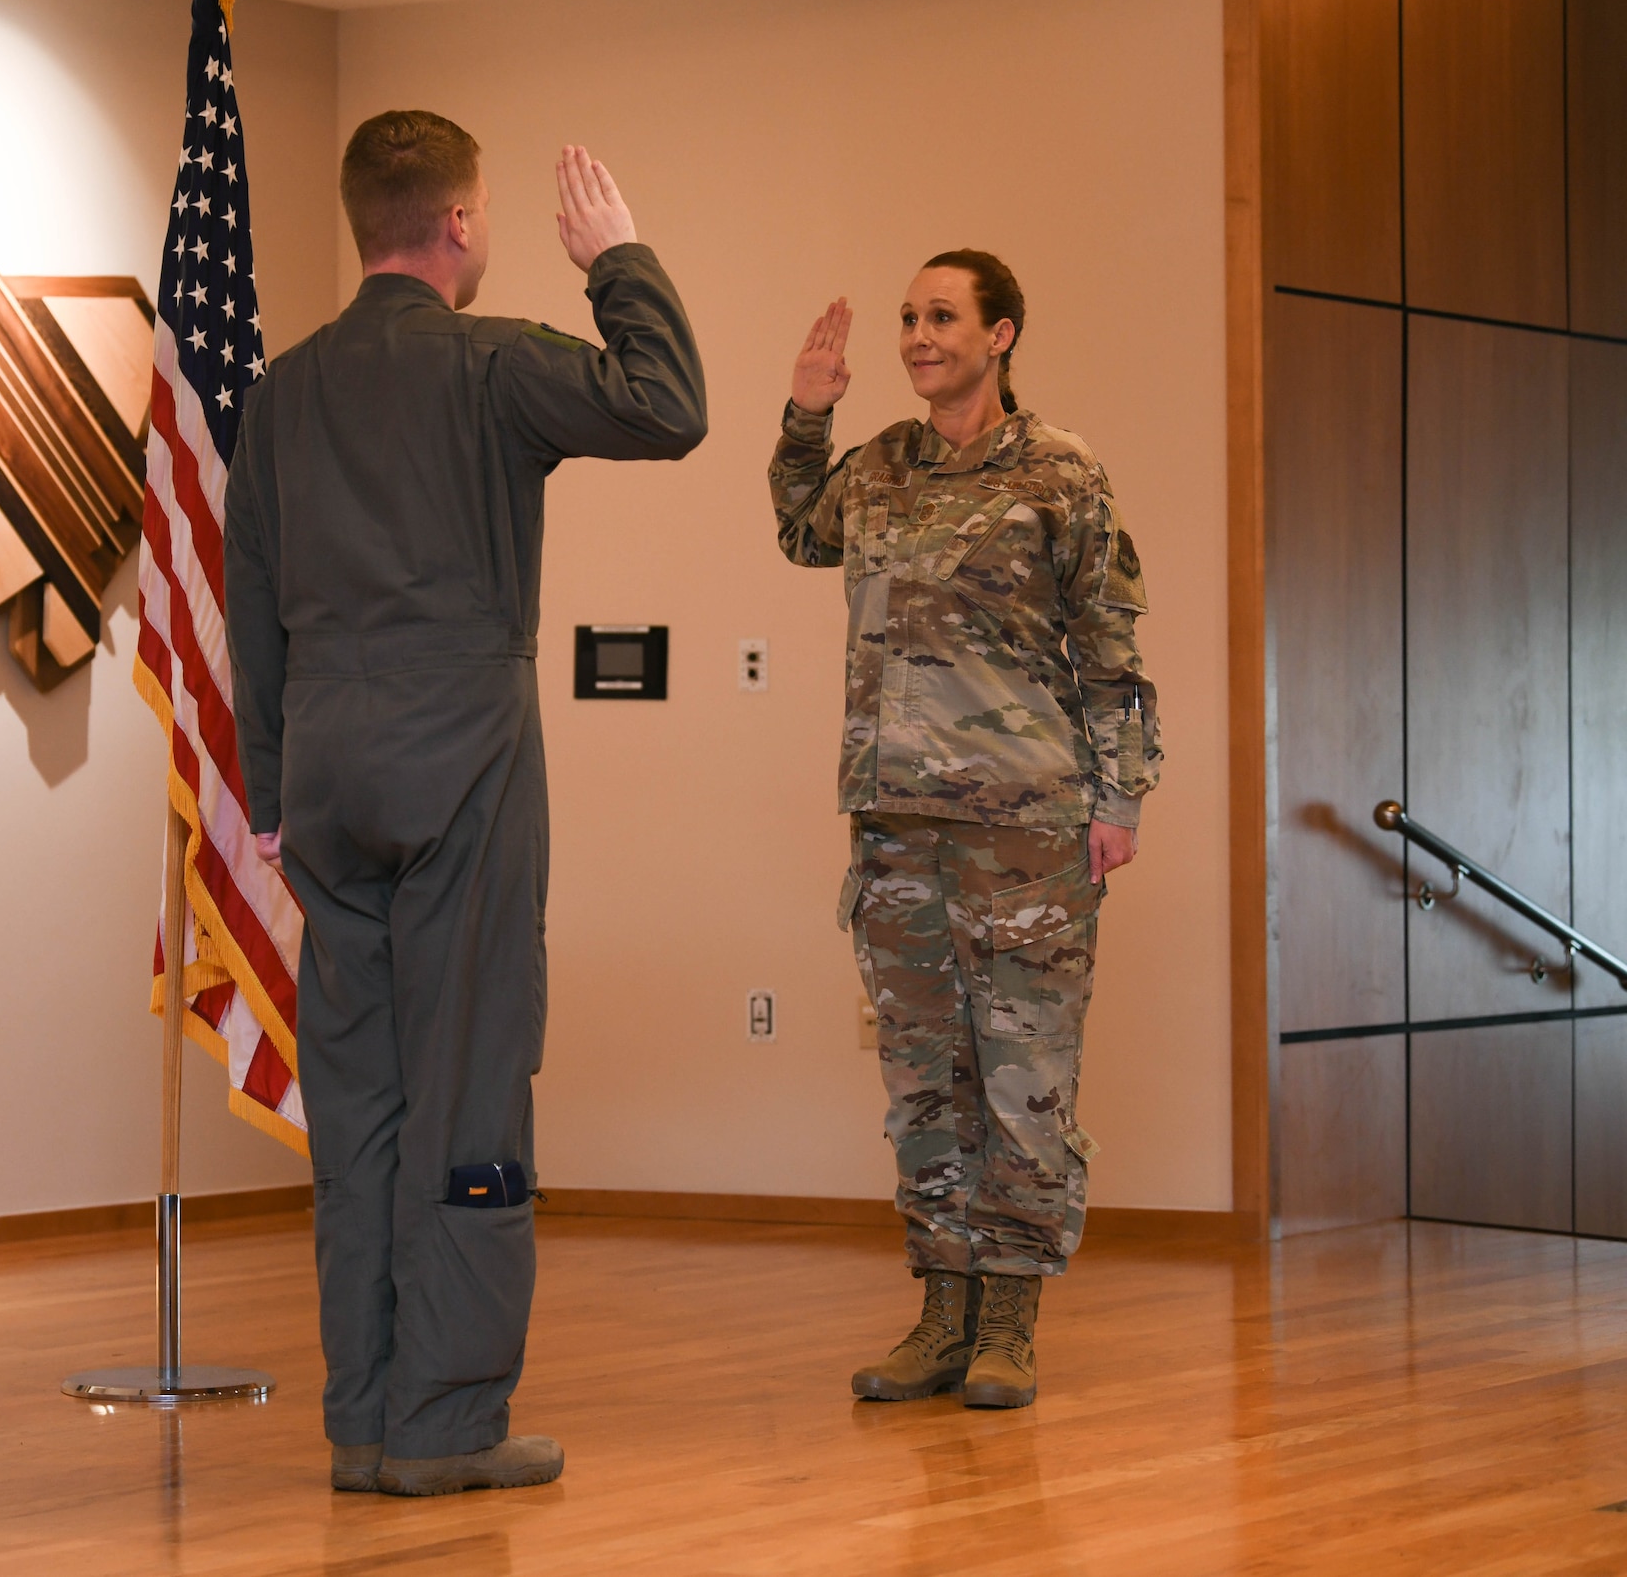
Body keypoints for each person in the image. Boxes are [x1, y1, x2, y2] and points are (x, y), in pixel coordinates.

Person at [223, 112, 707, 1494]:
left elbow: (248, 599)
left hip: (323, 772)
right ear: (458, 224)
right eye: (485, 216)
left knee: (361, 1103)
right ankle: (444, 1427)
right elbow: (668, 404)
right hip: (464, 765)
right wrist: (619, 260)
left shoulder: (282, 392)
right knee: (472, 1085)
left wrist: (267, 786)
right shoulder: (491, 362)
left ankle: (360, 1421)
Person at [767, 251, 1160, 1409]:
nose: (915, 335)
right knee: (921, 1080)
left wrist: (1119, 800)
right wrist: (805, 412)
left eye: (941, 316)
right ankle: (938, 1314)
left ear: (999, 335)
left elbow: (1109, 644)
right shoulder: (879, 465)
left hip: (1025, 825)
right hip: (894, 826)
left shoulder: (1059, 472)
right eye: (906, 318)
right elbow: (800, 531)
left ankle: (1007, 1326)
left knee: (1024, 1080)